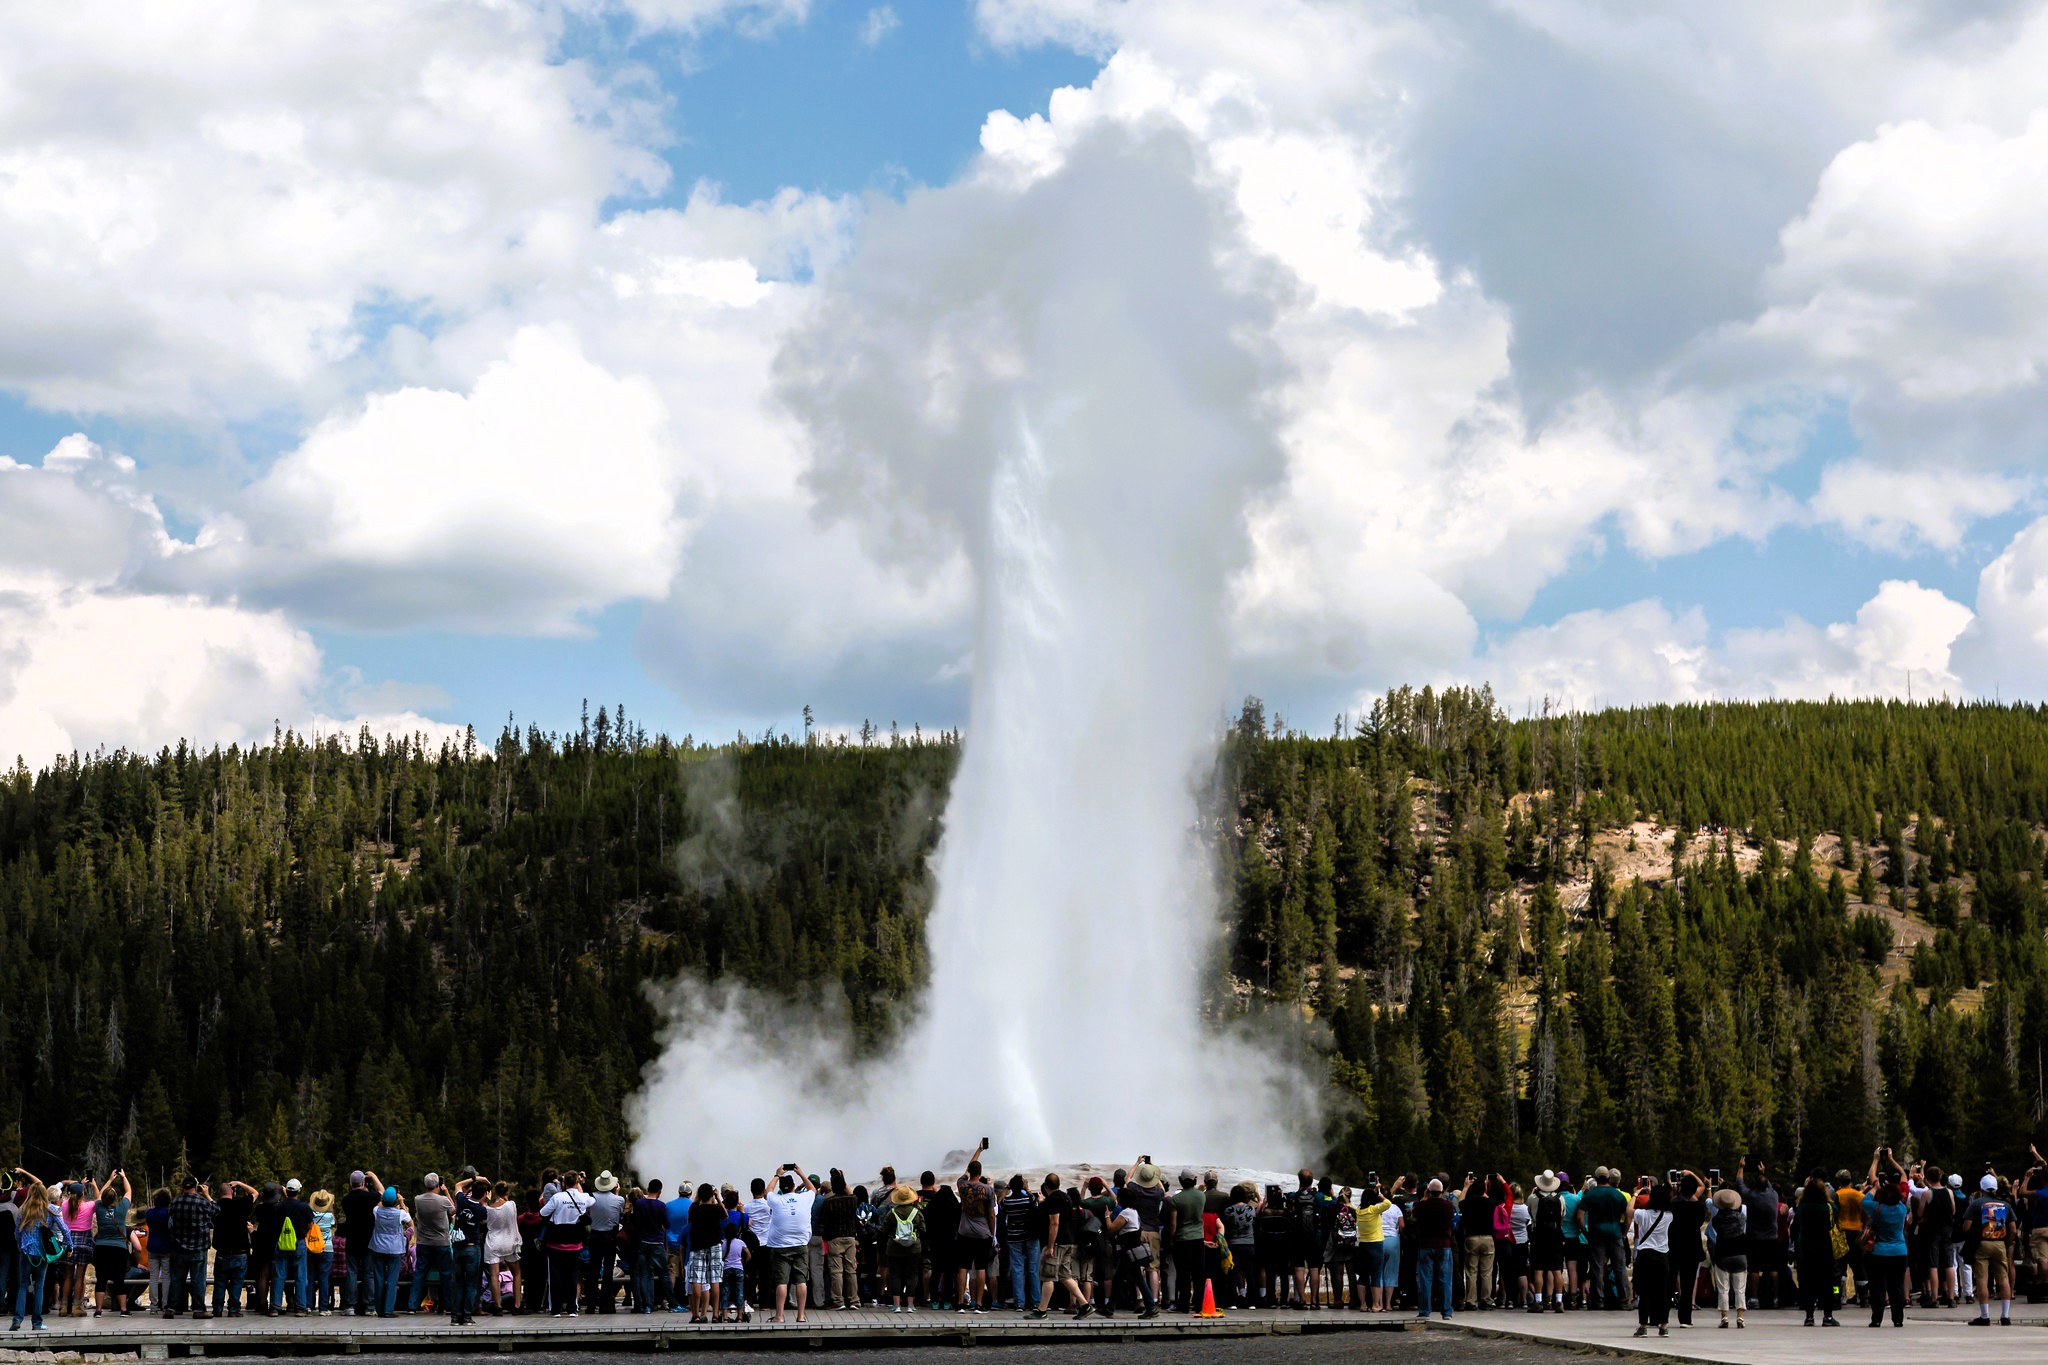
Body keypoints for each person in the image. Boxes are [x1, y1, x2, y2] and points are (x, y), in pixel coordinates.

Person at [12, 1180, 69, 1331]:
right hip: (42, 1253)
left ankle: (17, 1320)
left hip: (25, 1251)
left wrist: (19, 1244)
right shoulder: (48, 1210)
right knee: (39, 1287)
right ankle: (36, 1322)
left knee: (22, 1286)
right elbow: (64, 1229)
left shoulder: (23, 1209)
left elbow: (17, 1231)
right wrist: (69, 1245)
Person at [1963, 1168, 2015, 1327]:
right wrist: (2007, 1242)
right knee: (2003, 1278)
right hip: (1999, 1244)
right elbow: (2013, 1228)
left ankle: (1985, 1316)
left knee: (1982, 1279)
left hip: (1982, 1243)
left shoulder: (1976, 1203)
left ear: (1982, 1188)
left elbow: (1966, 1226)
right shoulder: (2005, 1205)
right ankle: (2005, 1316)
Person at [762, 1164, 813, 1324]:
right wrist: (801, 1173)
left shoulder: (776, 1200)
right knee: (801, 1281)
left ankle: (779, 1316)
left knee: (781, 1281)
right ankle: (801, 1316)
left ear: (782, 1188)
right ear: (793, 1187)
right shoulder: (805, 1198)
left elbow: (767, 1192)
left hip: (780, 1246)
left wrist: (777, 1175)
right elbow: (813, 1189)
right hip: (800, 1244)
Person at [538, 1172, 591, 1317]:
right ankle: (572, 1308)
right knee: (572, 1275)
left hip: (556, 1241)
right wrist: (580, 1184)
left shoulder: (557, 1197)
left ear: (563, 1183)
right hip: (574, 1242)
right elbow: (590, 1200)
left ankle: (556, 1309)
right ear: (577, 1182)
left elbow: (542, 1213)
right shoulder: (583, 1197)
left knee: (556, 1276)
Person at [1036, 1176, 1088, 1320]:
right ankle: (1085, 1305)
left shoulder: (1053, 1200)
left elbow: (1054, 1223)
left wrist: (1050, 1246)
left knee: (1048, 1276)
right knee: (1065, 1276)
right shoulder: (1066, 1197)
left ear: (1046, 1186)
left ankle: (1042, 1310)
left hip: (1057, 1243)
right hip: (1068, 1241)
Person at [1576, 1169, 1629, 1310]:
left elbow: (1580, 1216)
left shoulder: (1590, 1195)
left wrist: (1585, 1232)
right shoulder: (1617, 1195)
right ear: (1609, 1178)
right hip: (1615, 1232)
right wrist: (1624, 1232)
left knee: (1597, 1267)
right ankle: (1623, 1300)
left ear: (1596, 1178)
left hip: (1597, 1233)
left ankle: (1598, 1300)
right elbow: (1628, 1214)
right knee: (1619, 1267)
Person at [1792, 1171, 1840, 1327]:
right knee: (1827, 1282)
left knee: (1807, 1282)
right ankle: (1828, 1316)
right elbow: (1834, 1222)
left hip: (1806, 1247)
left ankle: (1809, 1316)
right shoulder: (1830, 1207)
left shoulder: (1802, 1208)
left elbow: (1796, 1227)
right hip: (1825, 1247)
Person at [1103, 1184, 1158, 1319]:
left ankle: (1151, 1307)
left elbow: (1111, 1228)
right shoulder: (1133, 1211)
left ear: (1123, 1199)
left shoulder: (1125, 1213)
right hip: (1130, 1251)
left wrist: (1107, 1216)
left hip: (1129, 1252)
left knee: (1138, 1279)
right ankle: (1110, 1307)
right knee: (1118, 1279)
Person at [165, 1175, 215, 1319]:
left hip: (179, 1248)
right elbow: (216, 1210)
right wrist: (207, 1194)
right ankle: (198, 1309)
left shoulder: (175, 1202)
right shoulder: (201, 1202)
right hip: (198, 1248)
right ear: (195, 1187)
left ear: (182, 1187)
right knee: (198, 1280)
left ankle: (171, 1308)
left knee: (177, 1279)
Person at [1631, 1179, 1672, 1338]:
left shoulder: (1642, 1214)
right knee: (1662, 1292)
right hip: (1662, 1255)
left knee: (1645, 1292)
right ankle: (1664, 1325)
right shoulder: (1668, 1216)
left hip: (1645, 1255)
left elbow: (1629, 1210)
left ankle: (1643, 1326)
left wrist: (1636, 1194)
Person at [1409, 1178, 1455, 1321]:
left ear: (1428, 1191)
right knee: (1445, 1279)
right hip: (1444, 1244)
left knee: (1425, 1279)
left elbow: (1412, 1218)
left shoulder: (1421, 1206)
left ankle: (1424, 1310)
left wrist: (1423, 1198)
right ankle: (1446, 1311)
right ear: (1442, 1191)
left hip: (1425, 1244)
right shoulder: (1448, 1206)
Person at [409, 1174, 455, 1315]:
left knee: (420, 1274)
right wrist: (446, 1192)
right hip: (441, 1242)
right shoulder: (443, 1200)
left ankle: (412, 1305)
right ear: (437, 1185)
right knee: (446, 1274)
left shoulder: (418, 1200)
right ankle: (448, 1305)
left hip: (423, 1242)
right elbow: (454, 1210)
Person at [954, 1161, 996, 1313]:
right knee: (981, 1267)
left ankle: (960, 1303)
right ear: (981, 1172)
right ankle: (978, 1303)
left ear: (969, 1171)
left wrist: (978, 1150)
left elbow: (964, 1174)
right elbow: (991, 1215)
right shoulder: (988, 1190)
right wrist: (992, 1233)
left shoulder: (962, 1186)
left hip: (964, 1232)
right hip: (982, 1233)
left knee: (963, 1267)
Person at [90, 1170, 132, 1318]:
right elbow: (128, 1190)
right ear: (116, 1198)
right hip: (118, 1248)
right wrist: (124, 1177)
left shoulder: (100, 1208)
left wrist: (110, 1180)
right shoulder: (122, 1208)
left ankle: (99, 1310)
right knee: (119, 1278)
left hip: (101, 1247)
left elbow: (99, 1195)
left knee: (101, 1279)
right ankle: (123, 1309)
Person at [1666, 1172, 1705, 1328]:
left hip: (1674, 1246)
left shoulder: (1672, 1205)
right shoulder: (1698, 1208)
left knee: (1669, 1282)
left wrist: (1674, 1191)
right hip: (1691, 1247)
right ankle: (1685, 1318)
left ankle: (1662, 1316)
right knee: (1687, 1285)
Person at [367, 1185, 412, 1319]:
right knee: (392, 1280)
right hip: (395, 1249)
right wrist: (401, 1202)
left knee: (379, 1279)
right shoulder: (400, 1214)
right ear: (395, 1201)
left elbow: (379, 1204)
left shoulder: (376, 1210)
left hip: (378, 1247)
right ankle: (388, 1309)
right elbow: (411, 1224)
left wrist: (385, 1198)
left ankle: (379, 1308)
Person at [627, 1180, 672, 1316]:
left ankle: (647, 1305)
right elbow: (666, 1224)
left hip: (642, 1242)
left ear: (648, 1189)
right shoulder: (661, 1205)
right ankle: (672, 1302)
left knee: (645, 1274)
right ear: (660, 1191)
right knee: (664, 1273)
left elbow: (634, 1220)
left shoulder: (639, 1204)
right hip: (657, 1242)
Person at [449, 1176, 489, 1326]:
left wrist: (475, 1178)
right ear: (485, 1194)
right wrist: (485, 1200)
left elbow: (458, 1184)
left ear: (471, 1191)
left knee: (458, 1282)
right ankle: (466, 1316)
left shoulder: (462, 1201)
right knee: (471, 1283)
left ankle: (455, 1317)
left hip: (458, 1247)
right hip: (472, 1247)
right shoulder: (481, 1210)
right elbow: (486, 1221)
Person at [819, 1170, 859, 1312]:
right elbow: (849, 1191)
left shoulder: (828, 1202)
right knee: (851, 1270)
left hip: (834, 1238)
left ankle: (838, 1301)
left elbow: (823, 1221)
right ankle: (854, 1300)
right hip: (850, 1237)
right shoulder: (852, 1199)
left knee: (836, 1272)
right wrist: (842, 1178)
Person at [1166, 1170, 1206, 1314]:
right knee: (1199, 1273)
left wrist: (1170, 1240)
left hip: (1182, 1239)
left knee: (1183, 1274)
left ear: (1180, 1180)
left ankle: (1183, 1305)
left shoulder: (1176, 1200)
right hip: (1198, 1238)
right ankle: (1199, 1304)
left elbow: (1173, 1225)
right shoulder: (1201, 1196)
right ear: (1194, 1180)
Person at [1527, 1171, 1566, 1314]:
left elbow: (1531, 1214)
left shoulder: (1532, 1198)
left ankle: (1538, 1301)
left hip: (1539, 1235)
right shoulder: (1560, 1199)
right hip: (1555, 1235)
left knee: (1538, 1268)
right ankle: (1559, 1301)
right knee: (1557, 1269)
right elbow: (1562, 1216)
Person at [686, 1182, 726, 1323]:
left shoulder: (694, 1208)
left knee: (697, 1279)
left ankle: (696, 1314)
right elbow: (725, 1215)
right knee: (714, 1280)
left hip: (697, 1246)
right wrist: (718, 1197)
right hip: (715, 1245)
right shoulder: (716, 1209)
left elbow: (689, 1220)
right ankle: (715, 1314)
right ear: (712, 1194)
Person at [1709, 1186, 1747, 1329]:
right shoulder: (1741, 1218)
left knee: (1723, 1287)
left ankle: (1724, 1316)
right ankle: (1740, 1317)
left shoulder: (1717, 1220)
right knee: (1740, 1287)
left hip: (1722, 1254)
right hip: (1739, 1253)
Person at [1460, 1173, 1500, 1311]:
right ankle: (1486, 1299)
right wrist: (1485, 1187)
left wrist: (1466, 1187)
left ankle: (1471, 1300)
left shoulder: (1468, 1203)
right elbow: (1491, 1199)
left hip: (1472, 1237)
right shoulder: (1490, 1203)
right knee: (1487, 1272)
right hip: (1488, 1237)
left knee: (1471, 1271)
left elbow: (1460, 1201)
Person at [882, 1184, 924, 1313]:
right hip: (913, 1249)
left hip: (894, 1248)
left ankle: (897, 1305)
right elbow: (923, 1229)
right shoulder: (917, 1213)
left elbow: (885, 1230)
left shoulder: (892, 1213)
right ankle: (910, 1305)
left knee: (895, 1276)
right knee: (912, 1275)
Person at [340, 1172, 377, 1317]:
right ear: (363, 1183)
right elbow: (382, 1192)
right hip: (368, 1240)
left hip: (352, 1240)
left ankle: (349, 1306)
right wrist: (373, 1178)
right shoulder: (370, 1198)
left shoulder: (346, 1200)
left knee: (352, 1273)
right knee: (368, 1273)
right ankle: (369, 1306)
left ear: (351, 1184)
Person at [276, 1178, 313, 1316]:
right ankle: (301, 1307)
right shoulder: (303, 1207)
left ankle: (275, 1306)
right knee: (301, 1276)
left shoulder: (279, 1206)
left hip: (282, 1242)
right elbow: (310, 1224)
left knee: (280, 1275)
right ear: (298, 1191)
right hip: (298, 1241)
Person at [483, 1182, 521, 1315]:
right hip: (509, 1242)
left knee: (494, 1275)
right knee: (516, 1273)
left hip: (493, 1242)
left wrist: (486, 1201)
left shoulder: (489, 1209)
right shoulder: (511, 1205)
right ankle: (517, 1305)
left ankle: (498, 1306)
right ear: (507, 1192)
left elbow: (485, 1218)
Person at [57, 1180, 94, 1318]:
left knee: (67, 1276)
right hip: (84, 1242)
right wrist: (94, 1185)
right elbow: (100, 1197)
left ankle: (64, 1305)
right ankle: (76, 1306)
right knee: (80, 1276)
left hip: (68, 1242)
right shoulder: (89, 1206)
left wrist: (78, 1184)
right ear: (82, 1194)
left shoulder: (64, 1205)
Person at [142, 1189, 172, 1317]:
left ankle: (153, 1305)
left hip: (152, 1245)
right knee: (166, 1277)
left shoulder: (149, 1213)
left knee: (153, 1277)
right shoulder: (169, 1213)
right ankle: (165, 1304)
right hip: (166, 1246)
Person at [308, 1190, 338, 1313]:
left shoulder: (310, 1215)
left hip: (311, 1247)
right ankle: (323, 1308)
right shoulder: (330, 1216)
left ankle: (308, 1305)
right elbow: (333, 1224)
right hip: (327, 1248)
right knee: (324, 1279)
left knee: (310, 1278)